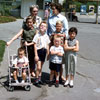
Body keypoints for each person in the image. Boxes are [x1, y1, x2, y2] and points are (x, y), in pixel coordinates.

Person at [33, 21, 50, 87]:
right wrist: (36, 55)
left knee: (41, 67)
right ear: (39, 27)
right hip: (39, 51)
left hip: (44, 52)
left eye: (44, 26)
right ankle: (36, 80)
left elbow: (48, 45)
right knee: (38, 67)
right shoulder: (37, 36)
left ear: (46, 28)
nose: (42, 27)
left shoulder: (46, 36)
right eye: (41, 25)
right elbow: (34, 45)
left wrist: (48, 54)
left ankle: (39, 79)